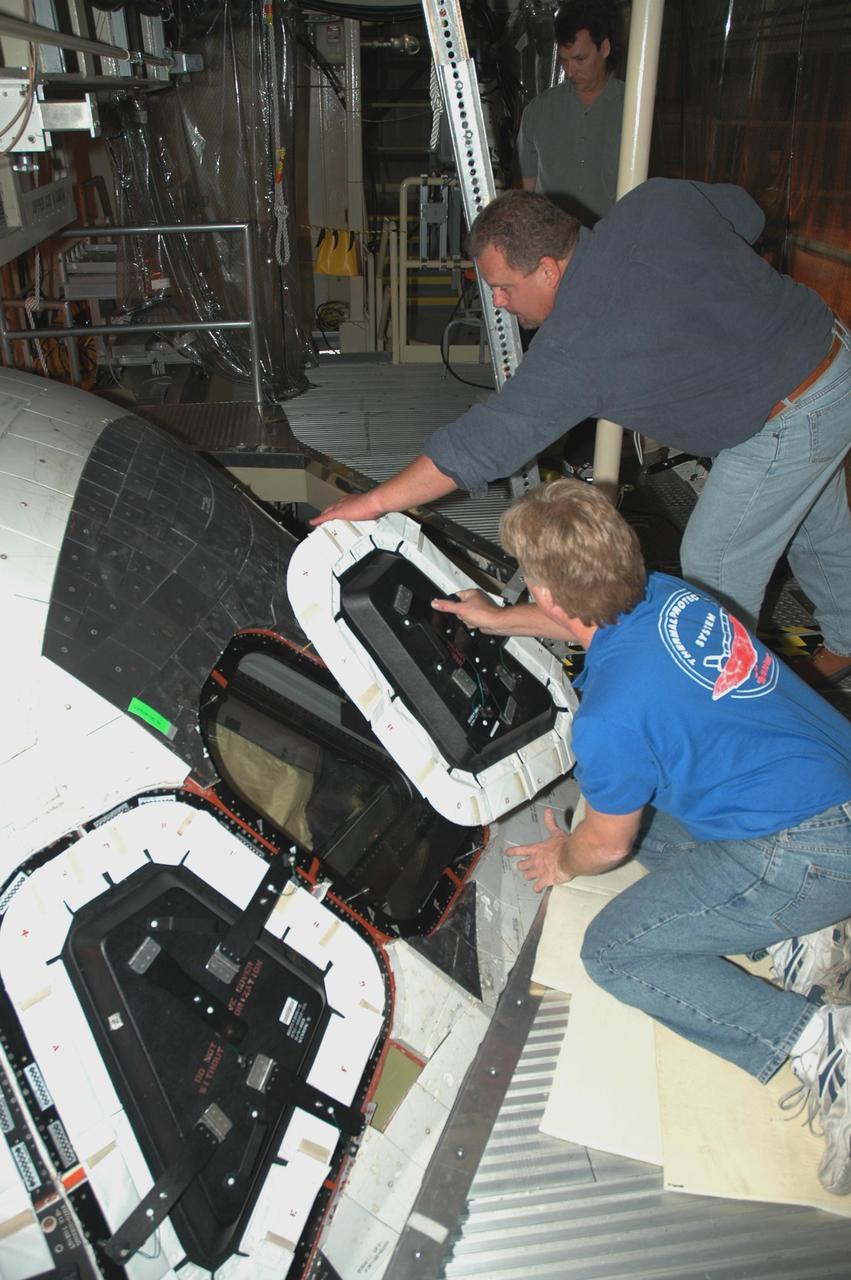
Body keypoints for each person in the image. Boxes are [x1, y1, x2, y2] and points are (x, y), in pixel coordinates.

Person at [431, 477, 851, 1195]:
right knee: (651, 817)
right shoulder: (668, 594)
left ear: (550, 588)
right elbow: (589, 617)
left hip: (810, 854)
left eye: (531, 584)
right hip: (827, 782)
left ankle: (819, 1042)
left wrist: (563, 858)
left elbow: (606, 847)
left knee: (617, 952)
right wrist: (501, 621)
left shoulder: (610, 718)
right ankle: (800, 932)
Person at [312, 182, 851, 686]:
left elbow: (480, 445)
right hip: (831, 353)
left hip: (788, 415)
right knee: (816, 528)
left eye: (503, 287)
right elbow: (746, 215)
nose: (497, 302)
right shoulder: (653, 202)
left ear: (547, 269)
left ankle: (723, 707)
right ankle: (847, 645)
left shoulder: (577, 350)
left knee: (712, 568)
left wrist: (376, 501)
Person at [517, 1, 624, 224]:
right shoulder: (537, 113)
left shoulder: (633, 112)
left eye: (580, 59)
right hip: (553, 249)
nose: (570, 71)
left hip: (614, 246)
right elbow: (526, 194)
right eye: (564, 61)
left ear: (604, 48)